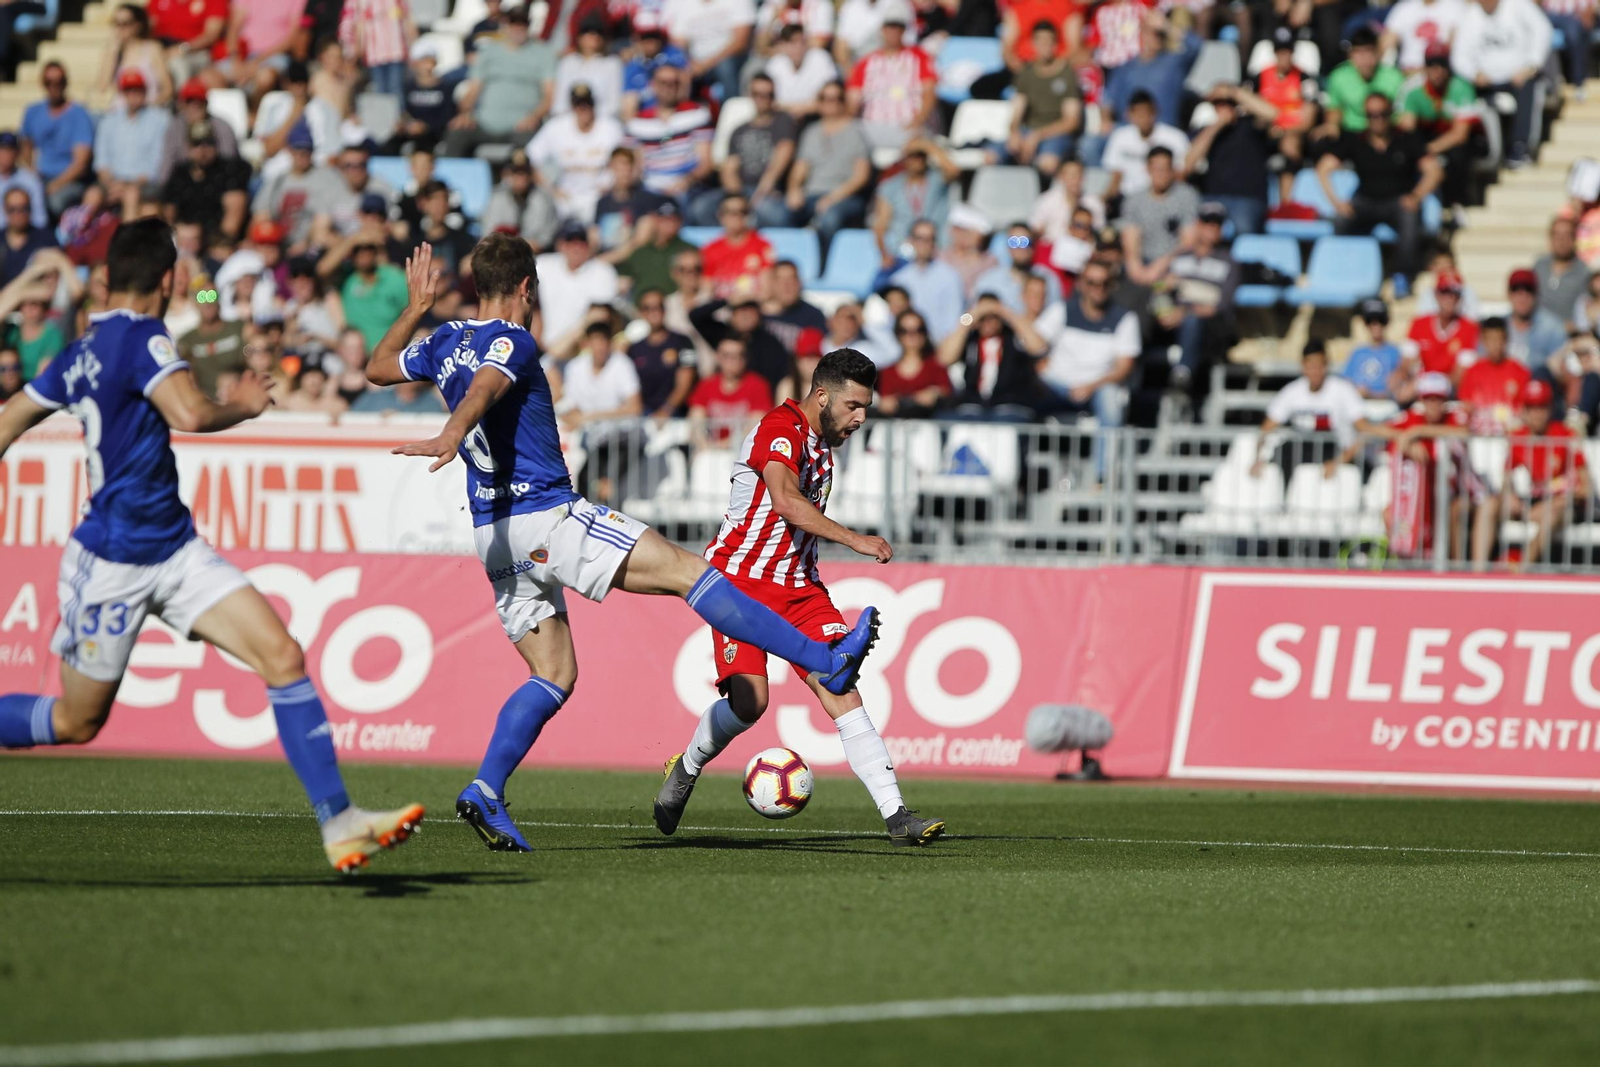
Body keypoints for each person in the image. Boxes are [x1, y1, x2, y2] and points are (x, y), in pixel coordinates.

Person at [368, 236, 879, 851]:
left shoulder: (443, 340)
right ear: (529, 287)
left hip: (494, 534)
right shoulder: (515, 340)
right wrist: (453, 431)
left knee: (553, 675)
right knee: (692, 571)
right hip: (549, 516)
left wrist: (417, 305)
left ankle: (486, 788)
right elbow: (486, 386)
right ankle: (825, 658)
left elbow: (376, 367)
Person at [0, 218, 425, 872]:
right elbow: (191, 415)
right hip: (112, 561)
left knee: (282, 654)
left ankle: (341, 822)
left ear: (109, 275)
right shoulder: (144, 339)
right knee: (75, 722)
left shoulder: (79, 348)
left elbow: (8, 421)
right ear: (168, 279)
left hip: (174, 550)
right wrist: (247, 405)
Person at [654, 347, 943, 846]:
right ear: (823, 395)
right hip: (739, 586)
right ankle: (689, 764)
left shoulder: (821, 447)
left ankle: (897, 816)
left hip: (801, 590)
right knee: (750, 703)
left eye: (866, 408)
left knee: (840, 686)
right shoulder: (780, 428)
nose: (860, 418)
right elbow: (786, 502)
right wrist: (856, 539)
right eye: (853, 406)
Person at [1319, 93, 1441, 294]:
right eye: (1371, 115)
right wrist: (1337, 203)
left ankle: (1403, 276)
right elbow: (1323, 169)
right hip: (1366, 201)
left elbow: (1435, 170)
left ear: (1390, 114)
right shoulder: (1355, 140)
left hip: (1397, 202)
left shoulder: (1407, 139)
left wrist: (1417, 195)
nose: (1377, 119)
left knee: (1409, 216)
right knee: (1340, 220)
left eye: (1382, 114)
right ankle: (1344, 271)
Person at [443, 6, 558, 158]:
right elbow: (473, 90)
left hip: (522, 125)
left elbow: (549, 95)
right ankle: (447, 180)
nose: (518, 28)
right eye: (513, 23)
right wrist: (465, 113)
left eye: (523, 24)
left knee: (531, 146)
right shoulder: (488, 52)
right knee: (456, 132)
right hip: (485, 123)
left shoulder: (543, 53)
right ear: (505, 24)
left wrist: (534, 116)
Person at [1500, 378, 1589, 566]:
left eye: (1542, 406)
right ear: (1524, 410)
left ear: (1550, 409)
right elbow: (1506, 478)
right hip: (1535, 503)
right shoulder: (1518, 437)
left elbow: (1586, 488)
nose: (1537, 413)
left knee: (1553, 513)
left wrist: (1560, 500)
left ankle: (1521, 568)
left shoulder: (1565, 435)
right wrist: (1509, 495)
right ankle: (1476, 573)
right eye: (1532, 407)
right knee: (1489, 505)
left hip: (1566, 505)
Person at [1451, 0, 1550, 167]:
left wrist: (1531, 65)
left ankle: (1521, 147)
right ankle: (1484, 151)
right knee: (1461, 89)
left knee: (1530, 89)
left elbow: (1543, 31)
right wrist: (1474, 73)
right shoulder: (1469, 15)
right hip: (1486, 82)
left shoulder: (1519, 5)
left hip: (1519, 76)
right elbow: (1458, 56)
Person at [689, 74, 796, 227]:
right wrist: (737, 200)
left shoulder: (783, 121)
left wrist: (762, 190)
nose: (763, 99)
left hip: (768, 191)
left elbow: (783, 155)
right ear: (750, 95)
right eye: (758, 94)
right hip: (741, 190)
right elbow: (730, 168)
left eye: (768, 95)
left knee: (776, 216)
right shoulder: (739, 129)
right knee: (701, 208)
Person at [777, 81, 872, 252]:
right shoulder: (811, 132)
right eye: (825, 99)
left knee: (830, 218)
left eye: (835, 99)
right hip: (812, 195)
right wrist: (793, 189)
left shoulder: (855, 132)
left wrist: (833, 197)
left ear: (843, 102)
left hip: (845, 197)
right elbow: (800, 168)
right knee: (776, 213)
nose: (830, 103)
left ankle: (822, 268)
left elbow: (861, 176)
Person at [1252, 340, 1369, 480]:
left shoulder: (1343, 390)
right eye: (1311, 366)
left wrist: (1339, 461)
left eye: (1319, 366)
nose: (1315, 372)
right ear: (1303, 366)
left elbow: (1364, 430)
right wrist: (1257, 458)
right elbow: (1267, 428)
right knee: (1283, 454)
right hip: (1302, 450)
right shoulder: (1292, 392)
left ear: (1326, 364)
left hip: (1334, 449)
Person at [1396, 45, 1483, 216]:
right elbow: (1406, 127)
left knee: (1458, 155)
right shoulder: (1412, 89)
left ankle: (1456, 203)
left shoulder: (1461, 87)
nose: (1438, 71)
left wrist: (1427, 150)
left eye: (1442, 66)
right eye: (1432, 66)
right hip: (1425, 137)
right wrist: (1419, 152)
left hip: (1453, 141)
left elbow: (1460, 134)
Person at [1185, 83, 1277, 237]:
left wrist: (1234, 93)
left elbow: (1273, 113)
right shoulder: (1206, 131)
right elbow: (1189, 163)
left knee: (1245, 235)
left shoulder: (1250, 125)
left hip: (1248, 199)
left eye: (1228, 102)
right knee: (1200, 236)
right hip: (1213, 197)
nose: (1223, 107)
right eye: (1218, 103)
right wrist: (1216, 126)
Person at [939, 294, 1051, 420]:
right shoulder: (970, 340)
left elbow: (1039, 347)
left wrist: (1005, 312)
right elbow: (945, 357)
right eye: (983, 318)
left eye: (993, 317)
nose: (988, 322)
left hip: (1009, 406)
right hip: (972, 405)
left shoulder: (1013, 337)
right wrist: (972, 315)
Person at [527, 83, 624, 223]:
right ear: (572, 106)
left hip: (600, 195)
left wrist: (611, 185)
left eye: (587, 104)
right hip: (564, 198)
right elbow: (530, 157)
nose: (583, 109)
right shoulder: (556, 127)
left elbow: (627, 158)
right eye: (578, 104)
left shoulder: (611, 127)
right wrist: (550, 189)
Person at [845, 8, 936, 150]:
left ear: (904, 30)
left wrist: (918, 120)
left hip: (907, 126)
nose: (893, 31)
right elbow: (853, 99)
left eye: (898, 27)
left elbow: (929, 92)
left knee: (917, 143)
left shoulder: (919, 57)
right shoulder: (865, 62)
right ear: (882, 29)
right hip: (871, 126)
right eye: (890, 26)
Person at [1003, 19, 1082, 180]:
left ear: (1056, 44)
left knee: (1048, 162)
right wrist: (1014, 132)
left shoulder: (1066, 73)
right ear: (1033, 43)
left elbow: (1071, 121)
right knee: (994, 154)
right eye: (1040, 41)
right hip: (1029, 130)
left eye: (1049, 41)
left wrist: (1038, 135)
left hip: (1056, 133)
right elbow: (1017, 110)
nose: (1044, 46)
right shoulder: (1027, 72)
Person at [622, 65, 715, 202]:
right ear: (653, 85)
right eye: (663, 83)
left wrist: (687, 181)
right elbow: (631, 163)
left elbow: (706, 163)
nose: (668, 88)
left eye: (674, 83)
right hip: (648, 189)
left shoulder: (697, 114)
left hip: (687, 187)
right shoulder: (637, 123)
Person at [21, 64, 95, 217]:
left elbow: (80, 164)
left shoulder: (79, 115)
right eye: (49, 82)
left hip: (69, 181)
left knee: (54, 202)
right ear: (43, 84)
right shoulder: (33, 112)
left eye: (59, 81)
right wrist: (32, 172)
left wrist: (54, 185)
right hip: (40, 178)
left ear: (66, 83)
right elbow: (25, 145)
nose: (54, 86)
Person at [870, 139, 957, 271]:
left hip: (937, 247)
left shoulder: (936, 179)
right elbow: (880, 225)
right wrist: (884, 254)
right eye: (912, 156)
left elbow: (953, 169)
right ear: (904, 158)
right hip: (904, 250)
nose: (917, 160)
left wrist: (927, 146)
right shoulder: (890, 187)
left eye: (920, 156)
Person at [162, 122, 252, 242]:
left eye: (208, 143)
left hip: (218, 241)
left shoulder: (230, 170)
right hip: (184, 239)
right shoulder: (180, 173)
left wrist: (218, 245)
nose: (202, 150)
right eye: (197, 144)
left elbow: (234, 215)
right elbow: (169, 213)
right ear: (188, 147)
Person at [1104, 13, 1199, 127]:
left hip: (1164, 129)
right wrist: (1106, 120)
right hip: (1130, 130)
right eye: (1152, 33)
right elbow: (1108, 100)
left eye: (1160, 34)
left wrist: (1166, 26)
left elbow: (1196, 45)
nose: (1157, 37)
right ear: (1142, 33)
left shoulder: (1174, 63)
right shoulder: (1125, 68)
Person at [536, 220, 620, 345]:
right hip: (543, 346)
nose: (576, 247)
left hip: (582, 350)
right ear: (561, 245)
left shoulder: (602, 272)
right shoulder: (543, 265)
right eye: (571, 242)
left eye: (581, 242)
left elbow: (601, 317)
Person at [1100, 90, 1190, 202]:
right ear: (1129, 115)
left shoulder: (1175, 137)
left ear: (1154, 112)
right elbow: (1115, 176)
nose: (1142, 118)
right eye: (1138, 113)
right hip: (1127, 198)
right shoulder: (1119, 136)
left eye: (1145, 113)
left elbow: (1180, 174)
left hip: (1163, 197)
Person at [94, 71, 172, 201]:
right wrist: (112, 184)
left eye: (137, 90)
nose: (133, 94)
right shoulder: (109, 120)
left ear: (145, 91)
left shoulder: (160, 120)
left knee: (131, 196)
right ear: (123, 94)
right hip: (113, 182)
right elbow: (101, 162)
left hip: (144, 182)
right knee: (93, 195)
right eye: (129, 90)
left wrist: (128, 186)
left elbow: (157, 164)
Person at [890, 218, 966, 342]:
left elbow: (954, 322)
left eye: (930, 238)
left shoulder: (950, 277)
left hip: (939, 348)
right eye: (920, 238)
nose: (925, 244)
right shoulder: (899, 280)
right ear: (911, 240)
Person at [666, 0, 757, 102]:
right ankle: (687, 111)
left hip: (730, 59)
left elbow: (740, 43)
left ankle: (732, 109)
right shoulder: (684, 4)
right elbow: (678, 43)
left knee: (725, 67)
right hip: (696, 63)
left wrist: (704, 65)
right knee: (674, 69)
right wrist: (688, 63)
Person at [688, 335, 774, 443]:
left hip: (743, 450)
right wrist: (706, 446)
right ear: (717, 357)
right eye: (727, 355)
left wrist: (723, 445)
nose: (732, 361)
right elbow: (696, 425)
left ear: (745, 359)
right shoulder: (706, 385)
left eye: (738, 355)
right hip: (709, 450)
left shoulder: (758, 385)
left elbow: (754, 428)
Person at [628, 288, 698, 418]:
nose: (654, 312)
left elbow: (686, 381)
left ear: (665, 309)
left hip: (676, 416)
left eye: (658, 307)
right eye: (648, 308)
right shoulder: (634, 348)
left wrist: (666, 410)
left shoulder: (683, 341)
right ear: (641, 312)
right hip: (643, 416)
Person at [1457, 316, 1530, 435]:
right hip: (1480, 438)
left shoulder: (1520, 372)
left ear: (1506, 340)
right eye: (1491, 340)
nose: (1495, 345)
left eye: (1499, 339)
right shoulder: (1472, 371)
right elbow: (1466, 407)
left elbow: (1525, 410)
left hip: (1510, 438)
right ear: (1483, 341)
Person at [1323, 27, 1403, 131]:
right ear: (1350, 55)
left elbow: (1401, 114)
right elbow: (1334, 109)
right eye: (1359, 53)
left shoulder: (1395, 77)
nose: (1364, 59)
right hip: (1352, 133)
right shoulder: (1338, 76)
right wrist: (1332, 127)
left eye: (1368, 51)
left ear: (1378, 53)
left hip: (1387, 133)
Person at [876, 309, 950, 416]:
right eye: (905, 331)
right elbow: (884, 399)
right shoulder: (887, 371)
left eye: (918, 330)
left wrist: (935, 393)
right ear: (897, 335)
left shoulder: (936, 366)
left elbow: (947, 393)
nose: (912, 335)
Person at [974, 223, 1063, 313]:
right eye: (1013, 242)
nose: (1019, 247)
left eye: (1025, 242)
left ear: (1034, 246)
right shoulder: (989, 281)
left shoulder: (1048, 279)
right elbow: (972, 315)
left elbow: (1056, 314)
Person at [700, 194, 775, 300]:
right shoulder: (710, 249)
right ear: (721, 216)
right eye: (731, 212)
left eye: (742, 212)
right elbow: (707, 290)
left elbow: (767, 291)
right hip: (721, 309)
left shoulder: (762, 246)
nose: (737, 216)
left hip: (753, 308)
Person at [1406, 271, 1479, 377]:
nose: (1450, 298)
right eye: (1445, 291)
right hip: (1421, 385)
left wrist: (1437, 385)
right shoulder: (1419, 324)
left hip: (1451, 389)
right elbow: (1406, 362)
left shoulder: (1469, 328)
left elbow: (1461, 373)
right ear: (1436, 294)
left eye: (1455, 293)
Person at [481, 152, 559, 248]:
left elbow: (545, 239)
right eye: (515, 173)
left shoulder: (543, 199)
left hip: (532, 254)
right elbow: (488, 233)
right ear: (507, 174)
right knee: (469, 261)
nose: (521, 177)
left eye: (524, 172)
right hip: (501, 251)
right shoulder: (497, 197)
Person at [766, 23, 837, 116]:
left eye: (802, 42)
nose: (798, 47)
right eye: (792, 42)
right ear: (782, 45)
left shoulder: (820, 58)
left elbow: (830, 99)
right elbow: (769, 102)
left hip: (815, 118)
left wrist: (795, 109)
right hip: (782, 118)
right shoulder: (775, 64)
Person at [1533, 216, 1592, 325]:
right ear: (1550, 238)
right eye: (1557, 235)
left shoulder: (1583, 273)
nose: (1562, 241)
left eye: (1567, 235)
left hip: (1567, 333)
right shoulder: (1539, 266)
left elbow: (1586, 310)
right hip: (1537, 330)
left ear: (1574, 239)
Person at [1381, 0, 1468, 74]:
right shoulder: (1404, 8)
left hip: (1438, 72)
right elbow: (1386, 43)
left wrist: (1425, 70)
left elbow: (1453, 44)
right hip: (1406, 73)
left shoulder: (1454, 6)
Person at [399, 40, 458, 147]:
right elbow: (404, 112)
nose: (427, 66)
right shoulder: (407, 88)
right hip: (411, 131)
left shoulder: (446, 88)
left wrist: (426, 126)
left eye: (430, 62)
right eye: (423, 62)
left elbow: (447, 116)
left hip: (434, 134)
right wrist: (408, 125)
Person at [1343, 297, 1403, 399]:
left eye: (1381, 320)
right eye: (1370, 321)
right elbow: (1346, 382)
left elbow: (1398, 387)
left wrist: (1372, 395)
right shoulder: (1357, 353)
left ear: (1387, 322)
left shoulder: (1395, 353)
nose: (1376, 325)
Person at [1506, 267, 1568, 367]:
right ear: (1509, 294)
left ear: (1536, 294)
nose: (1523, 297)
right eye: (1517, 290)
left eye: (1528, 290)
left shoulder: (1552, 328)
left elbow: (1560, 368)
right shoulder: (1497, 327)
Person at [0, 188, 55, 289]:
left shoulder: (45, 238)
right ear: (5, 209)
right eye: (12, 209)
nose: (18, 214)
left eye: (24, 208)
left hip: (36, 297)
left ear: (31, 209)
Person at [0, 132, 45, 232]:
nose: (6, 155)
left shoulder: (30, 180)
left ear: (17, 153)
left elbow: (40, 219)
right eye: (3, 149)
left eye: (10, 150)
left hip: (22, 235)